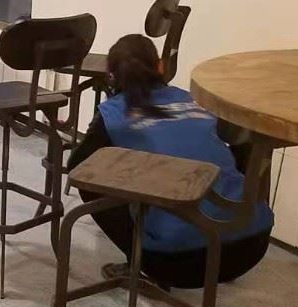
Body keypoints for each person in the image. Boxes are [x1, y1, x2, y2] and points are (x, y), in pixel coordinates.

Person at [68, 33, 274, 289]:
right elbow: (240, 152)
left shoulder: (113, 114)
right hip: (252, 245)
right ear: (161, 66)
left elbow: (76, 166)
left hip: (177, 263)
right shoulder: (195, 100)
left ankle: (138, 266)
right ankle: (230, 224)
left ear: (111, 76)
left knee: (90, 183)